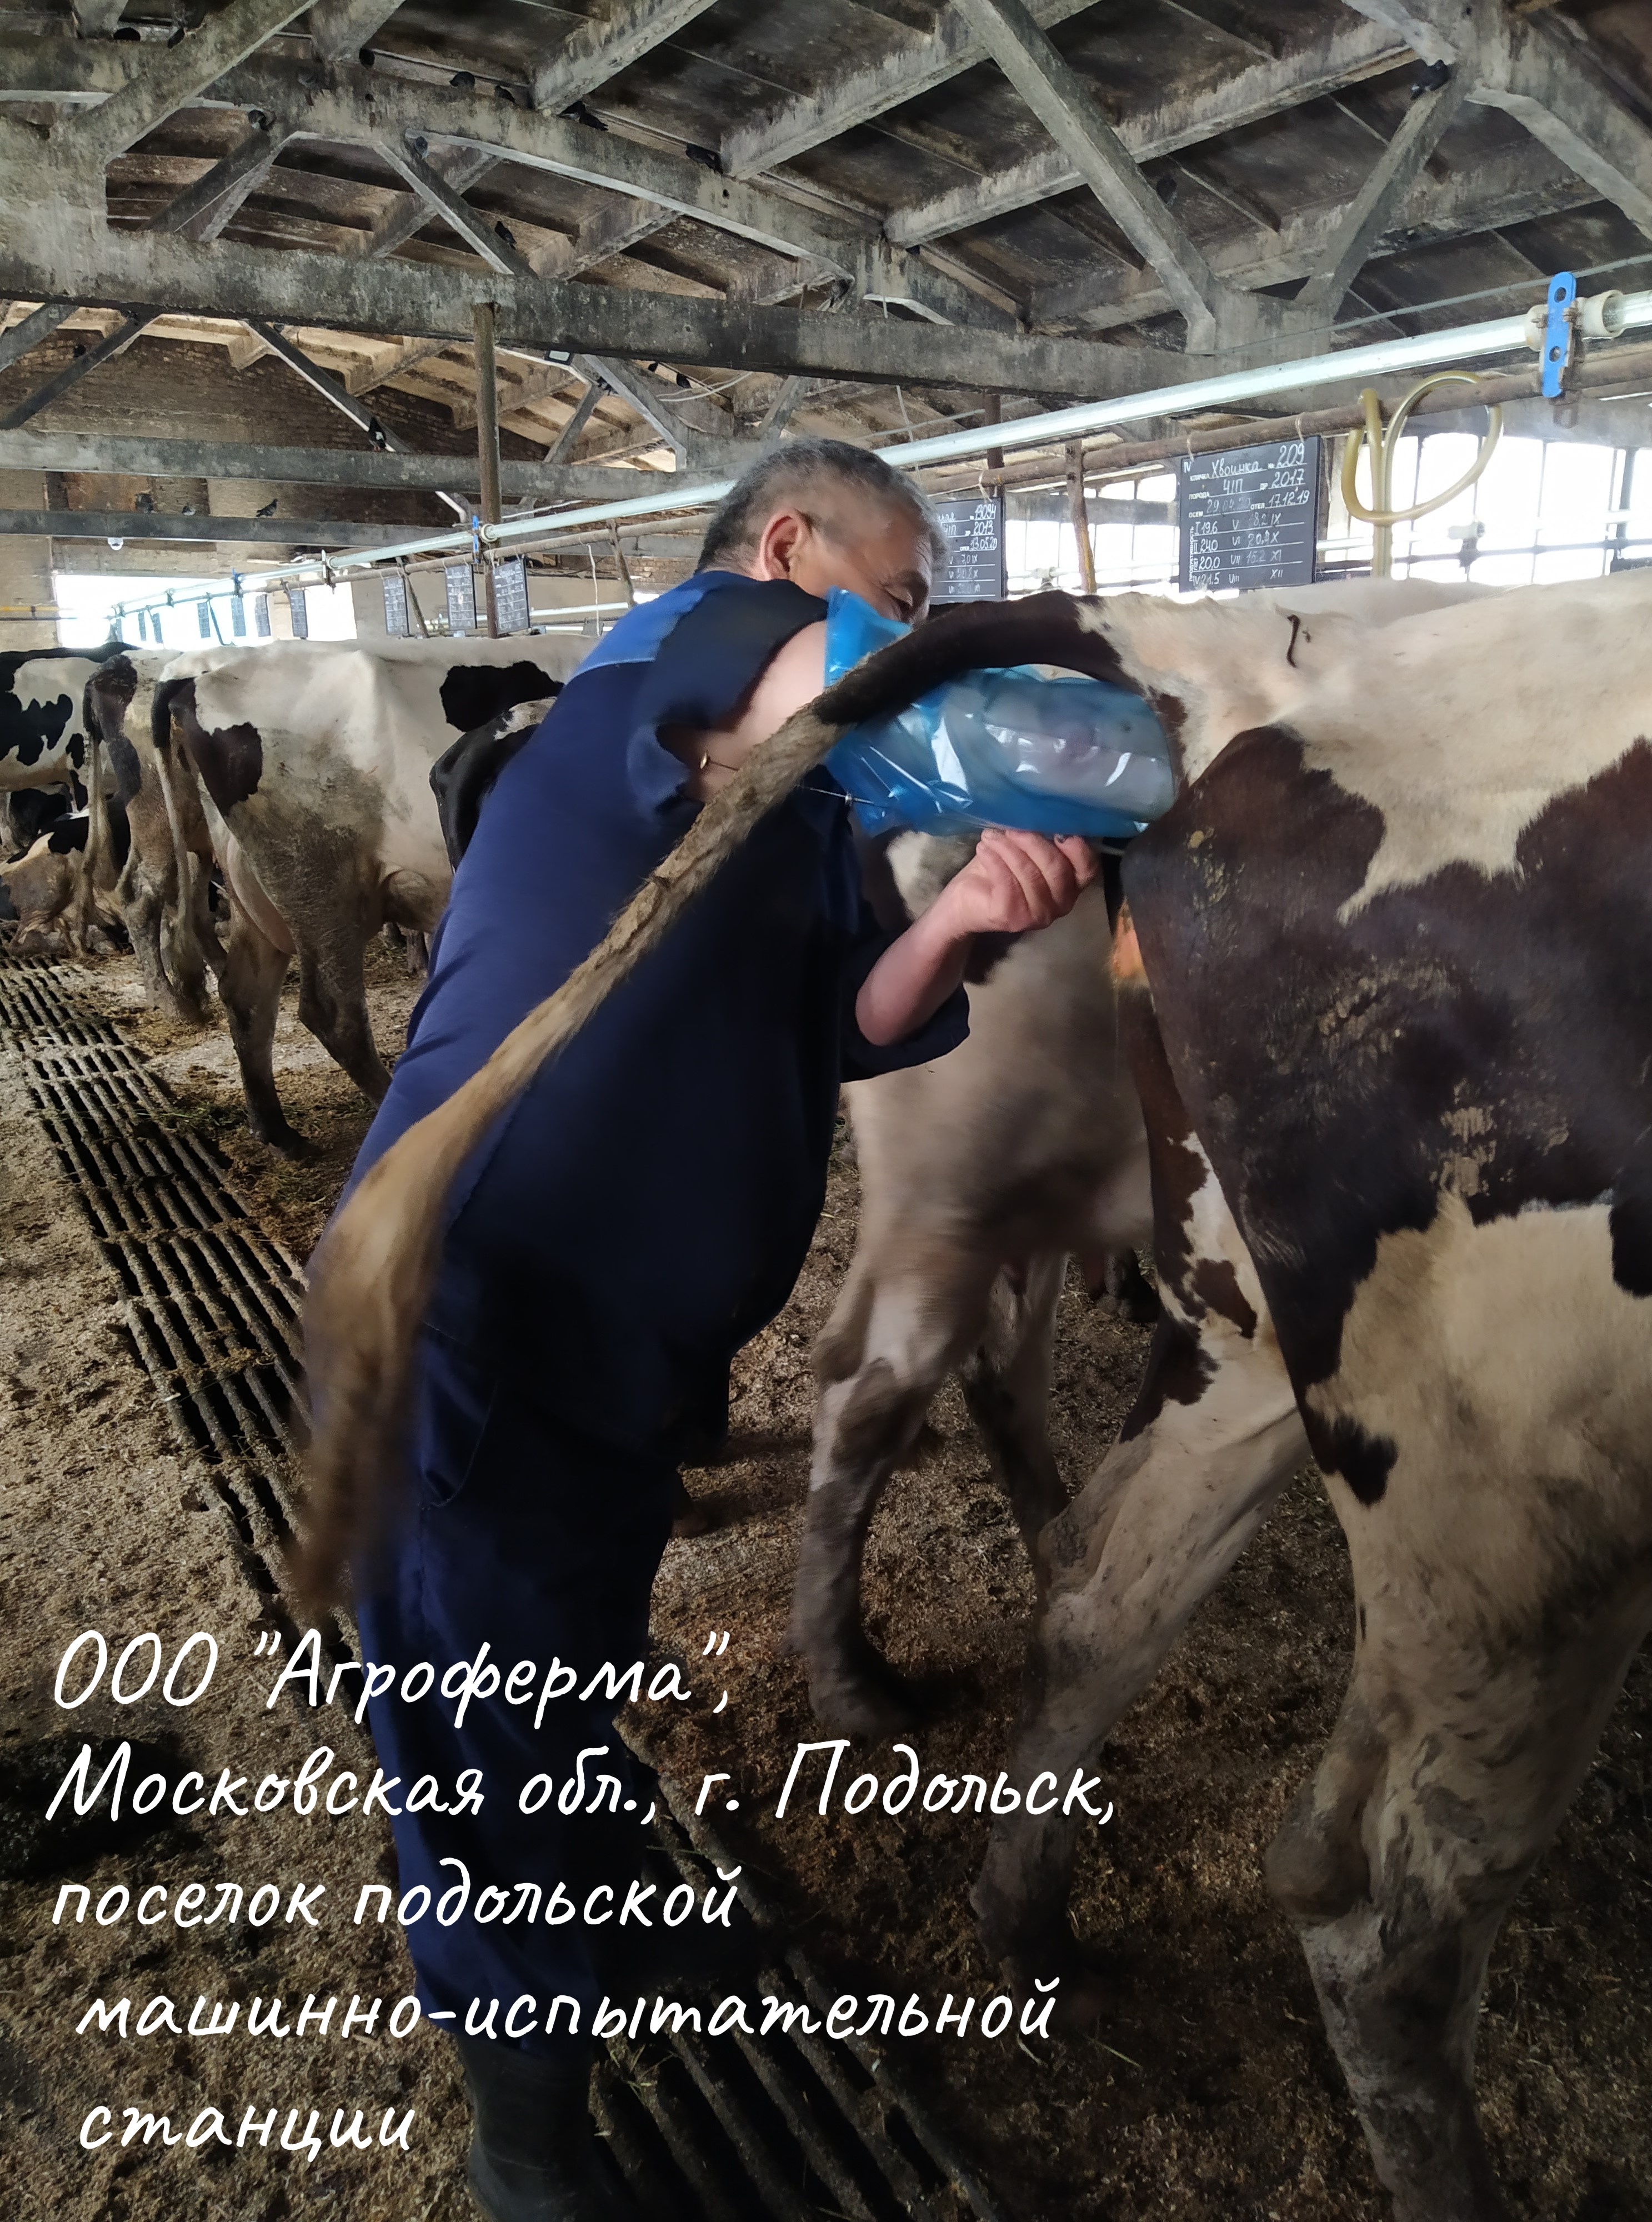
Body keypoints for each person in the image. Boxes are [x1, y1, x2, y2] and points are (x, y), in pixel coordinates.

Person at [340, 438, 1098, 2221]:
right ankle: (528, 2144)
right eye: (893, 597)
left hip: (621, 1366)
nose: (903, 632)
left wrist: (968, 915)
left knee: (556, 1680)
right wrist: (1051, 667)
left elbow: (852, 1018)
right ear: (784, 551)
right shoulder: (658, 678)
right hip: (473, 1339)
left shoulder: (798, 815)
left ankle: (594, 1933)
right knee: (487, 1755)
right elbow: (782, 674)